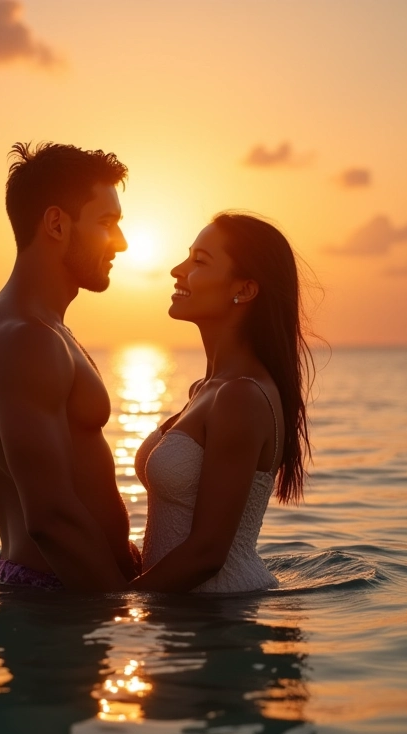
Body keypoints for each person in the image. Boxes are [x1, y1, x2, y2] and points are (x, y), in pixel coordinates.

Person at [0, 142, 140, 592]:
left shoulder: (40, 329)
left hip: (64, 595)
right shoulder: (26, 340)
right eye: (107, 223)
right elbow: (51, 518)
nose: (121, 242)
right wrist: (126, 612)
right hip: (58, 601)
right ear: (57, 223)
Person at [130, 212, 312, 593]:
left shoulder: (240, 397)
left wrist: (121, 606)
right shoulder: (206, 389)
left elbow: (208, 554)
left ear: (244, 290)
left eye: (199, 261)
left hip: (222, 617)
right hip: (189, 615)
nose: (177, 270)